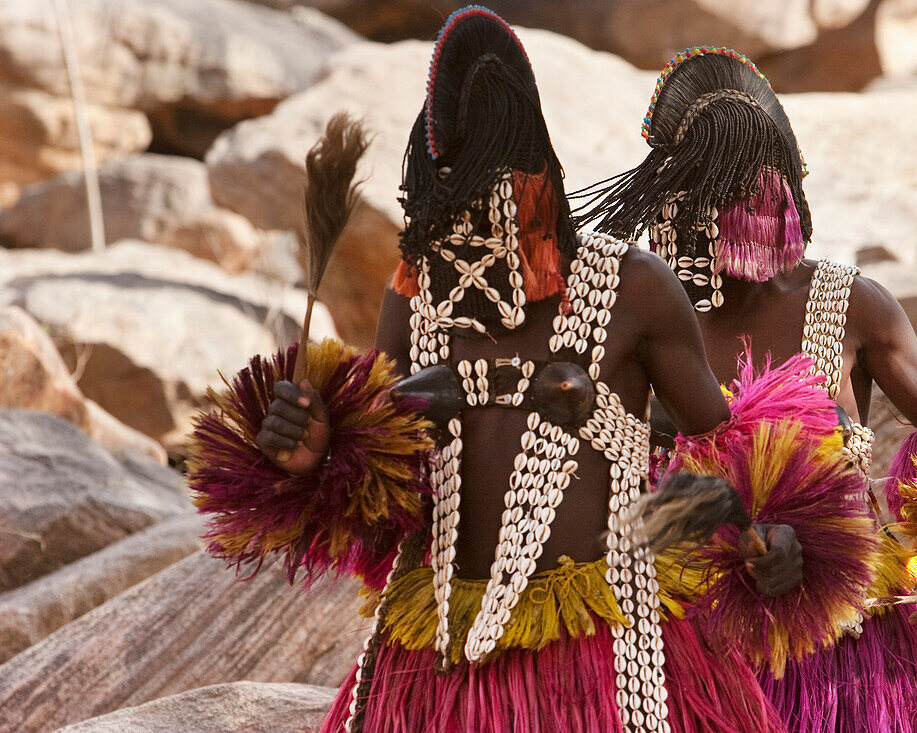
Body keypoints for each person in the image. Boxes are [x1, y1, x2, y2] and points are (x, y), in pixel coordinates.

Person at [188, 12, 878, 733]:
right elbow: (383, 496)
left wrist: (775, 534)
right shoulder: (415, 297)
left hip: (614, 658)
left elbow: (726, 450)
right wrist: (316, 459)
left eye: (501, 207)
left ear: (543, 186)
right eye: (453, 219)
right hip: (435, 668)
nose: (476, 243)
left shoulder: (632, 287)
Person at [576, 46, 917, 733]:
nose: (751, 214)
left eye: (761, 195)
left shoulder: (851, 304)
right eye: (722, 195)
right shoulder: (645, 315)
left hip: (852, 660)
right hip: (686, 657)